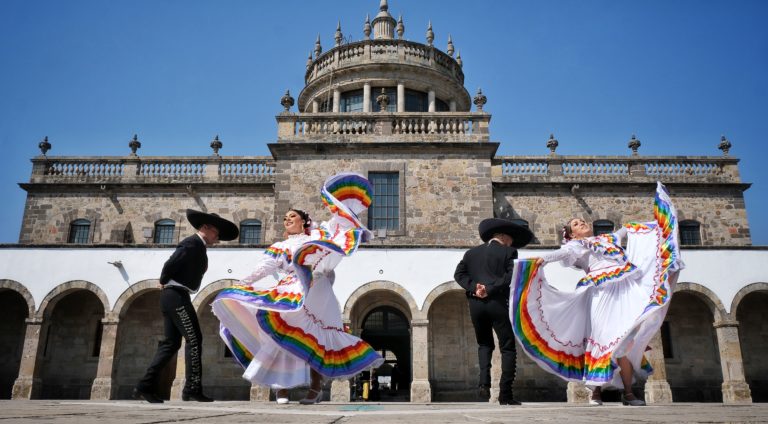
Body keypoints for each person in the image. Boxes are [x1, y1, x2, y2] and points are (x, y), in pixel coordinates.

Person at [212, 173, 384, 405]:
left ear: (304, 221)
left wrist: (341, 202)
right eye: (285, 218)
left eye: (292, 216)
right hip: (292, 288)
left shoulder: (318, 235)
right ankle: (281, 387)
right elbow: (264, 266)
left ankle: (315, 387)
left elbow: (341, 223)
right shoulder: (280, 246)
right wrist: (244, 283)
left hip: (319, 289)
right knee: (280, 333)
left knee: (317, 339)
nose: (287, 220)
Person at [509, 182, 684, 406]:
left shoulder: (609, 239)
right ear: (571, 234)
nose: (582, 223)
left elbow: (630, 230)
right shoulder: (577, 246)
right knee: (601, 337)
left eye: (582, 220)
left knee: (623, 337)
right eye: (576, 224)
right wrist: (540, 260)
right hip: (599, 291)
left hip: (622, 289)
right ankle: (596, 392)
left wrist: (661, 223)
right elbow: (559, 254)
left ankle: (629, 393)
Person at [133, 209, 239, 404]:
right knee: (194, 339)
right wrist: (164, 279)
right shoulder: (192, 243)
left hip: (174, 296)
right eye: (216, 233)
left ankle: (144, 386)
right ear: (205, 228)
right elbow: (171, 263)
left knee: (171, 343)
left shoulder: (198, 246)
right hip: (175, 296)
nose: (217, 239)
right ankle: (192, 388)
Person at [454, 218, 534, 405]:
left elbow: (459, 275)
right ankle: (505, 394)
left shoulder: (471, 253)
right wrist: (489, 289)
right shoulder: (509, 251)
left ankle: (484, 384)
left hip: (476, 304)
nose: (511, 243)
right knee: (507, 347)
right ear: (504, 237)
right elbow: (510, 276)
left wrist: (475, 288)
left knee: (484, 344)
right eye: (510, 240)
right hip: (498, 302)